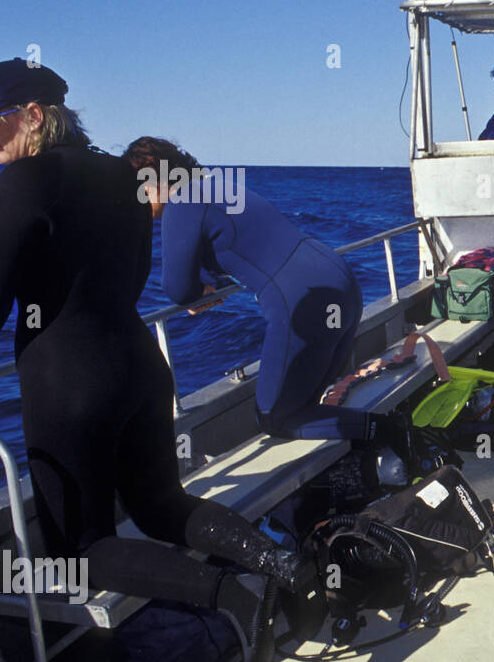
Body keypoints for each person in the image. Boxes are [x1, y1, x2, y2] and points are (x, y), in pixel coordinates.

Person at [0, 59, 310, 662]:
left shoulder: (25, 180)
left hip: (69, 385)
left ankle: (238, 599)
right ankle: (277, 567)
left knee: (81, 553)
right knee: (163, 505)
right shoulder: (128, 178)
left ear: (32, 116)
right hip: (140, 367)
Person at [122, 137, 413, 460]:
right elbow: (240, 247)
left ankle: (388, 429)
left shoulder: (180, 205)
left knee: (277, 418)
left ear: (155, 178)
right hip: (338, 280)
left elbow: (177, 289)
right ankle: (375, 452)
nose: (138, 202)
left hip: (303, 301)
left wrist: (197, 294)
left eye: (140, 191)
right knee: (305, 405)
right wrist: (206, 284)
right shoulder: (218, 186)